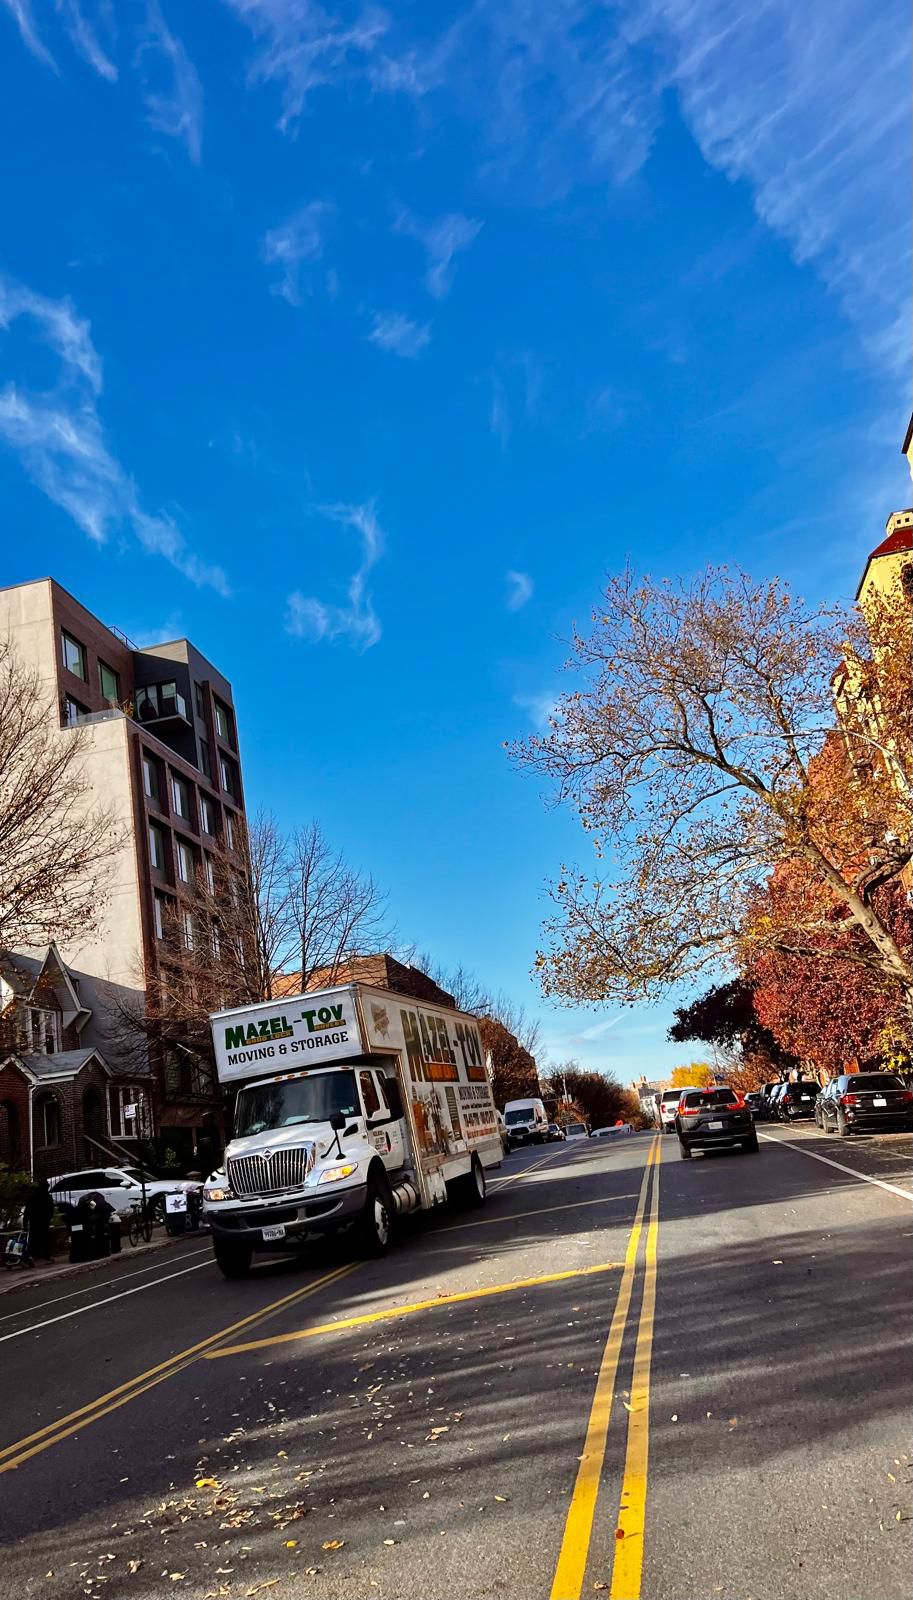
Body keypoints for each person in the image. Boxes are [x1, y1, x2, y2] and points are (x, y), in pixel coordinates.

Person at [23, 1178, 54, 1266]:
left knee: (34, 1239)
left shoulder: (33, 1196)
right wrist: (49, 1217)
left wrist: (25, 1223)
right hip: (43, 1220)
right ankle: (45, 1256)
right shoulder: (47, 1196)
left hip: (35, 1220)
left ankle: (32, 1256)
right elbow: (50, 1209)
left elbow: (27, 1211)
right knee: (45, 1238)